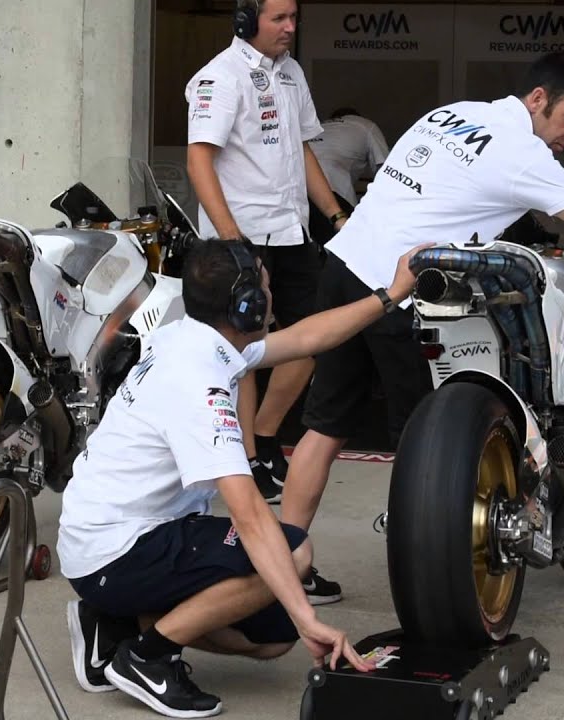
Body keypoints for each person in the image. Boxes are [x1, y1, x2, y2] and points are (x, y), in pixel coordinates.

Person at [282, 52, 564, 602]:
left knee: (325, 425)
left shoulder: (452, 113)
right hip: (403, 290)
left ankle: (284, 563)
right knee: (425, 444)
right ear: (539, 99)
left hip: (344, 268)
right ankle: (429, 583)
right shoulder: (522, 152)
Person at [57, 238, 425, 718]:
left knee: (270, 641)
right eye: (266, 287)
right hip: (119, 547)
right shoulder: (198, 382)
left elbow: (308, 338)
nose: (272, 297)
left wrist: (390, 293)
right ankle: (145, 659)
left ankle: (112, 617)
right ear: (247, 305)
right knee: (293, 555)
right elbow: (250, 515)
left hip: (108, 539)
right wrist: (309, 617)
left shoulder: (192, 336)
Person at [183, 0, 350, 540]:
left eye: (295, 17)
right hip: (242, 236)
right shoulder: (218, 77)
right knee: (242, 353)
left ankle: (262, 435)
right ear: (244, 19)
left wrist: (336, 215)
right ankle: (249, 456)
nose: (290, 28)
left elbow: (302, 151)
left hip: (292, 230)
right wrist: (231, 239)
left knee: (311, 341)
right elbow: (198, 159)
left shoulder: (292, 72)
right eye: (279, 18)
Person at [306, 108, 389, 246]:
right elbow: (386, 172)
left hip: (298, 191)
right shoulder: (366, 125)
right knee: (351, 247)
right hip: (332, 192)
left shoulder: (320, 126)